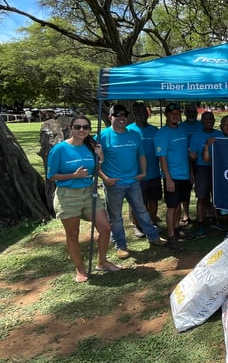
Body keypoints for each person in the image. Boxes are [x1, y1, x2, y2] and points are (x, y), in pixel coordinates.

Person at [47, 116, 121, 282]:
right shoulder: (59, 149)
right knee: (73, 234)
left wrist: (100, 157)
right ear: (71, 128)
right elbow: (51, 175)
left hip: (89, 192)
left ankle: (102, 262)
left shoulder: (91, 146)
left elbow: (95, 169)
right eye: (78, 127)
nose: (82, 130)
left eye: (85, 127)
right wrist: (73, 175)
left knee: (105, 227)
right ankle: (80, 269)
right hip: (68, 195)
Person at [98, 104, 167, 260]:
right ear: (110, 117)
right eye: (117, 115)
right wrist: (105, 178)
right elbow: (94, 160)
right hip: (114, 183)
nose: (121, 118)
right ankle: (121, 245)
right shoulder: (103, 136)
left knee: (142, 210)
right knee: (116, 217)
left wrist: (143, 172)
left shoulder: (134, 134)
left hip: (134, 181)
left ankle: (153, 236)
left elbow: (141, 154)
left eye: (124, 115)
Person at [154, 103, 189, 250]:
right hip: (172, 176)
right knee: (172, 207)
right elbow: (162, 159)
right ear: (166, 115)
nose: (175, 115)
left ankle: (176, 228)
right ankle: (171, 237)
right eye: (172, 113)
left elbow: (183, 152)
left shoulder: (181, 130)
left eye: (177, 113)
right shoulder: (162, 134)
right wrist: (168, 178)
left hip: (184, 174)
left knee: (179, 203)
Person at [127, 102, 163, 237]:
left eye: (144, 112)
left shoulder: (155, 130)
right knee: (138, 202)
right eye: (138, 112)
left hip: (153, 172)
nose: (142, 114)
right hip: (136, 174)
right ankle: (138, 226)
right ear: (134, 114)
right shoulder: (129, 130)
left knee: (153, 200)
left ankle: (152, 222)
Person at [189, 111, 222, 237]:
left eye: (211, 119)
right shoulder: (196, 136)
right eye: (206, 119)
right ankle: (201, 223)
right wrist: (192, 162)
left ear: (214, 120)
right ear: (202, 122)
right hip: (202, 169)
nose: (208, 121)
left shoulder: (219, 134)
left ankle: (216, 219)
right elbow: (191, 157)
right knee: (201, 198)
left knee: (217, 196)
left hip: (217, 168)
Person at [179, 102, 203, 226]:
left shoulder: (201, 125)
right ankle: (186, 214)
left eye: (193, 111)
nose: (191, 114)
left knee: (203, 189)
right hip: (184, 162)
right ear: (184, 113)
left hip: (201, 161)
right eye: (188, 111)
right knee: (186, 189)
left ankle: (207, 213)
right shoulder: (180, 127)